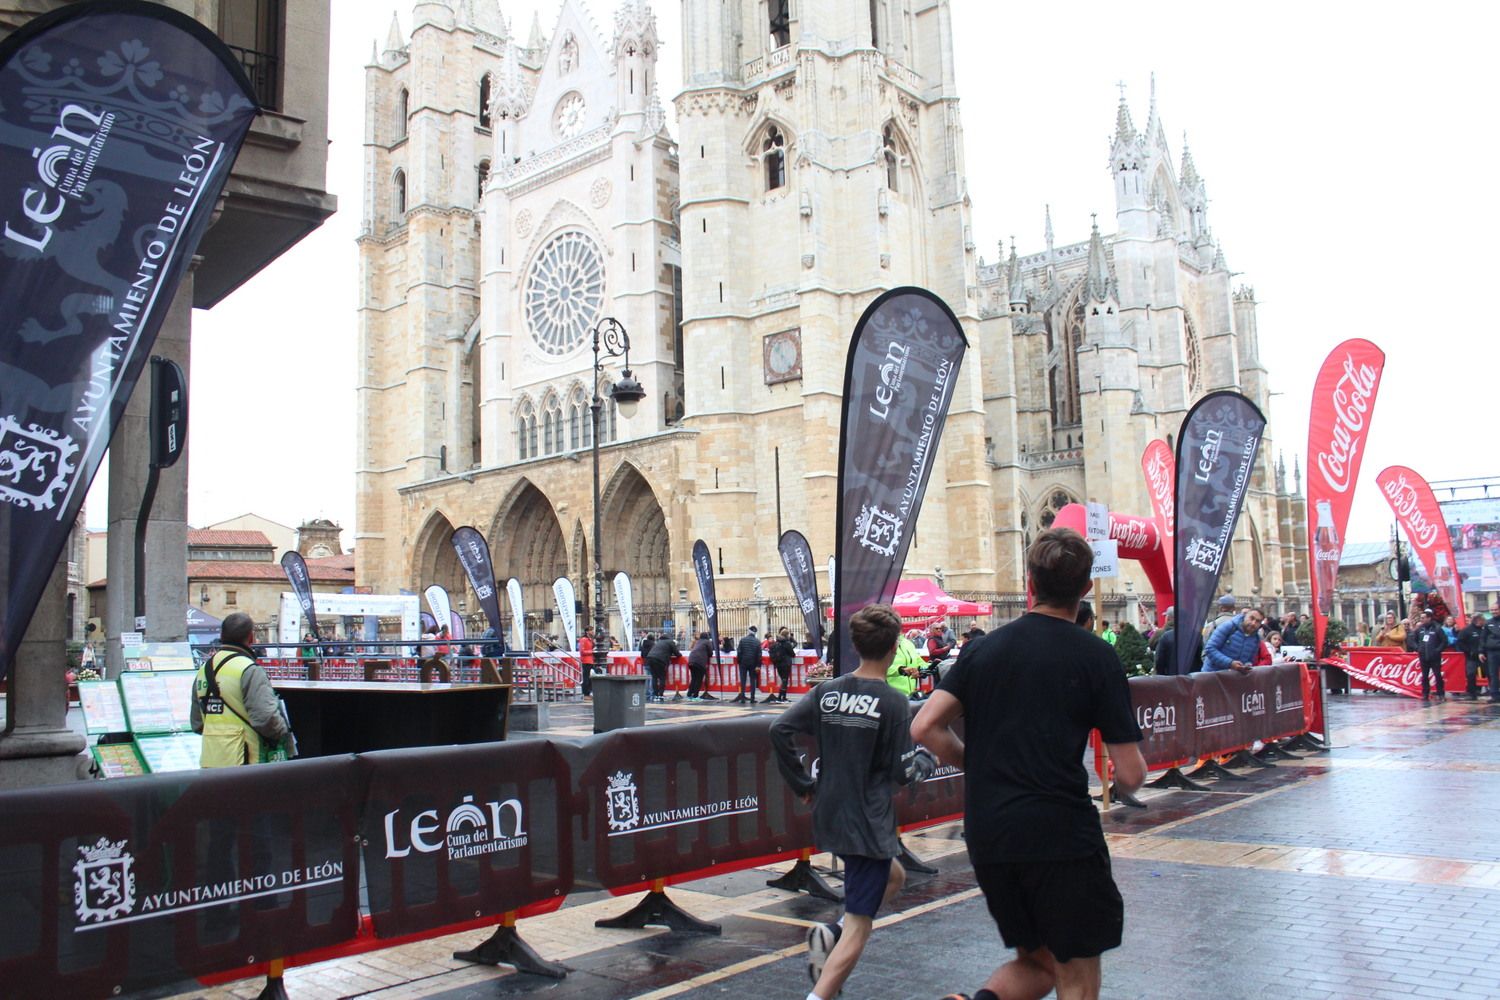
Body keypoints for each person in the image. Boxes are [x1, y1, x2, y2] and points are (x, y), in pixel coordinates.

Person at [912, 528, 1145, 1000]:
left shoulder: (983, 649)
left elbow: (925, 728)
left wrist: (974, 763)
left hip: (991, 832)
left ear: (1030, 582)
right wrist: (1123, 781)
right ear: (1083, 590)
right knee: (1077, 972)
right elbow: (1132, 772)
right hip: (1059, 833)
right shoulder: (1096, 655)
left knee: (1038, 962)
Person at [770, 604, 936, 1000]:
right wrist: (927, 761)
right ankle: (820, 993)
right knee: (863, 923)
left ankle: (833, 933)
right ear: (895, 648)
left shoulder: (827, 692)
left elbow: (780, 729)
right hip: (867, 819)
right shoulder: (894, 703)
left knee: (892, 877)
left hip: (830, 811)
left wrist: (802, 784)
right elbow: (901, 771)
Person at [191, 612, 292, 767]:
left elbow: (197, 723)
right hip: (245, 761)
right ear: (251, 638)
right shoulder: (249, 669)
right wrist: (283, 733)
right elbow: (266, 718)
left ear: (222, 635)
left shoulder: (203, 670)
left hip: (210, 761)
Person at [1203, 608, 1266, 674]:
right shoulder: (1228, 626)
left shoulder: (1256, 639)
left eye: (1258, 621)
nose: (1253, 623)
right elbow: (1209, 649)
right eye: (1251, 618)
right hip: (1213, 675)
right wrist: (1230, 663)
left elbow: (1250, 660)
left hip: (1234, 679)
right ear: (1244, 616)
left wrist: (1246, 666)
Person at [1408, 608, 1447, 702]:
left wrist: (1437, 650)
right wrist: (1417, 648)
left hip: (1435, 657)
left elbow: (1444, 641)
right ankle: (1425, 693)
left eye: (1423, 618)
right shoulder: (1420, 629)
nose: (1421, 619)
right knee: (1424, 676)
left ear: (1429, 618)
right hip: (1423, 656)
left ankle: (1441, 693)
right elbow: (1412, 639)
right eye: (1421, 618)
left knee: (1437, 675)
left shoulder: (1437, 628)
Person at [1458, 612, 1487, 699]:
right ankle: (1471, 693)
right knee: (1471, 674)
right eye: (1482, 620)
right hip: (1472, 657)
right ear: (1477, 620)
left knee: (1488, 674)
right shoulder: (1466, 630)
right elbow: (1460, 642)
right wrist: (1468, 651)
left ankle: (1491, 691)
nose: (1484, 621)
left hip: (1484, 656)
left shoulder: (1485, 629)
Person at [644, 630, 679, 702]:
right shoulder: (670, 642)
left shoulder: (659, 642)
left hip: (650, 658)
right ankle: (660, 695)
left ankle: (655, 695)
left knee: (654, 677)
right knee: (662, 677)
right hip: (660, 660)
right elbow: (677, 653)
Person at [887, 631, 923, 699]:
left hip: (910, 695)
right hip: (891, 694)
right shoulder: (883, 642)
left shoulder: (908, 643)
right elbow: (879, 667)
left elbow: (918, 661)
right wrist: (900, 670)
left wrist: (931, 666)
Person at [734, 626, 763, 704]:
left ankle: (742, 697)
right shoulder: (757, 641)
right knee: (752, 680)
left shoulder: (742, 640)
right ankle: (752, 698)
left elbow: (739, 652)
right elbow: (759, 655)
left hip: (743, 662)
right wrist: (758, 665)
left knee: (743, 680)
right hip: (753, 663)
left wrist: (739, 661)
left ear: (748, 632)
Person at [768, 626, 797, 702]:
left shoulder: (776, 643)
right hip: (786, 664)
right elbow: (792, 654)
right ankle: (781, 697)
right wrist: (792, 640)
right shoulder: (786, 643)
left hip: (778, 664)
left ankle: (782, 697)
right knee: (785, 680)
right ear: (787, 635)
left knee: (783, 680)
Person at [1479, 602, 1500, 703]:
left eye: (1496, 610)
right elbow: (1483, 638)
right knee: (1493, 674)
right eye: (1492, 610)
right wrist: (1481, 652)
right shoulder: (1488, 623)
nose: (1494, 612)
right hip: (1491, 652)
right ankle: (1494, 695)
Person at [685, 631, 715, 700]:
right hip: (700, 662)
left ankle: (689, 694)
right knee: (698, 679)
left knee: (694, 679)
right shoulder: (707, 642)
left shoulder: (698, 641)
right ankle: (695, 696)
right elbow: (710, 652)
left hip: (691, 660)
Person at [579, 626, 597, 697]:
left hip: (591, 660)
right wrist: (592, 651)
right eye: (591, 630)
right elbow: (582, 651)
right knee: (586, 677)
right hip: (586, 660)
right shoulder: (584, 640)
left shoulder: (591, 640)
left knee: (591, 677)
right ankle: (586, 692)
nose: (593, 632)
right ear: (587, 632)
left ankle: (589, 690)